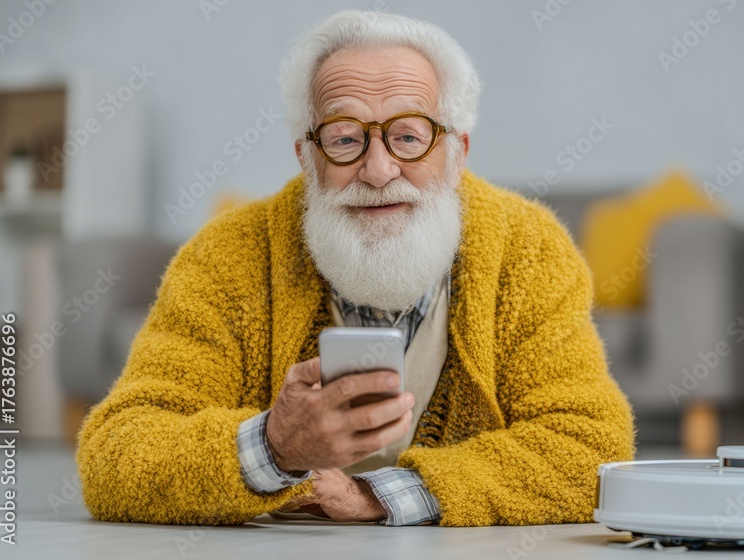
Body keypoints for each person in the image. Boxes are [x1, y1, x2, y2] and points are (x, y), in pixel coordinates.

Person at [76, 9, 635, 527]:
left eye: (409, 135)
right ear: (306, 155)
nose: (377, 168)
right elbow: (116, 454)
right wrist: (274, 446)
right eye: (344, 138)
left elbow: (591, 446)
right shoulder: (227, 255)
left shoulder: (529, 248)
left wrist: (384, 495)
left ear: (458, 152)